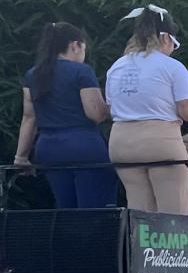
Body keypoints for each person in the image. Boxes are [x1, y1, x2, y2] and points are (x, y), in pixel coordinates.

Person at [105, 4, 188, 214]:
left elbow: (111, 106)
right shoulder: (172, 67)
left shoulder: (117, 66)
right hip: (160, 142)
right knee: (173, 211)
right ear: (166, 38)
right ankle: (172, 248)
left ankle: (139, 247)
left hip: (122, 145)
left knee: (139, 209)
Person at [15, 22, 114, 208]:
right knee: (96, 212)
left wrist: (21, 157)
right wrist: (114, 107)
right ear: (75, 45)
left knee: (66, 210)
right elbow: (95, 114)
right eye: (83, 48)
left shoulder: (33, 75)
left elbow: (29, 118)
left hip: (48, 149)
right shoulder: (82, 71)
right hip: (85, 146)